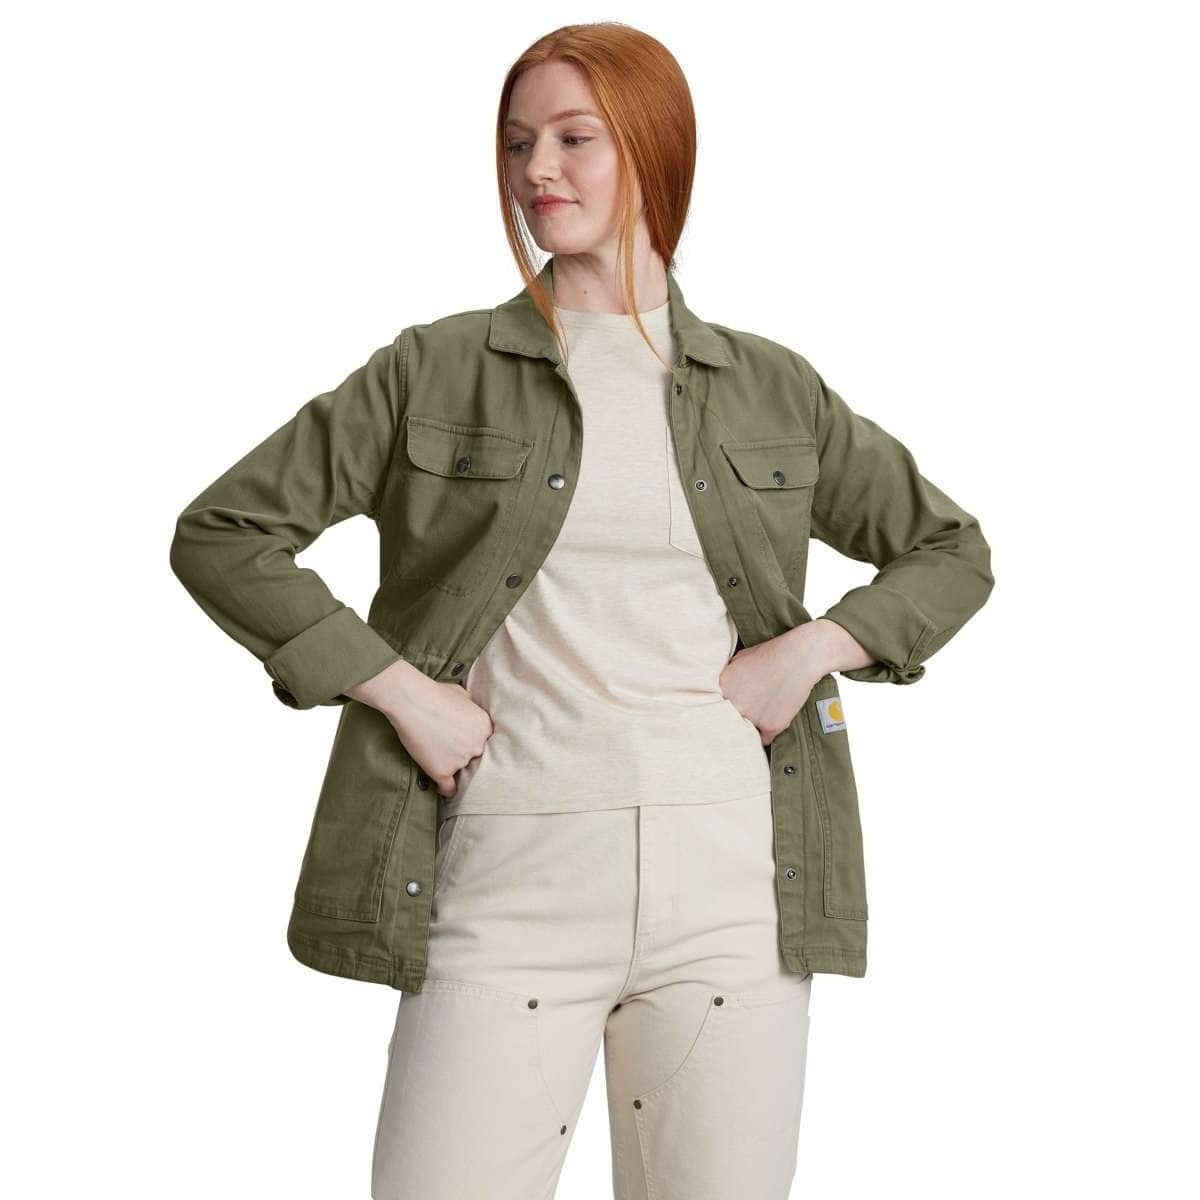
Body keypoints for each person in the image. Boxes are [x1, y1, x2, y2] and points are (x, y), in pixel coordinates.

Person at [169, 21, 994, 1200]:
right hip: (508, 874)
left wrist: (815, 649)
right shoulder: (433, 370)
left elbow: (949, 550)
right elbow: (226, 532)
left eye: (573, 139)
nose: (535, 170)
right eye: (517, 143)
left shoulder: (771, 386)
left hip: (731, 892)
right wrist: (400, 691)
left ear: (654, 148)